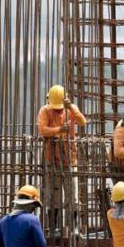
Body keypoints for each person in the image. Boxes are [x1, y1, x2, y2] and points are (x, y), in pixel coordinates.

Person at [37, 85, 87, 237]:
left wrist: (71, 107)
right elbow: (42, 130)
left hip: (69, 159)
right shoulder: (45, 111)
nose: (58, 110)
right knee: (54, 195)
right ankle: (54, 228)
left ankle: (74, 228)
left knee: (73, 195)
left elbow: (82, 122)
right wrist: (59, 130)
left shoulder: (71, 109)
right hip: (51, 159)